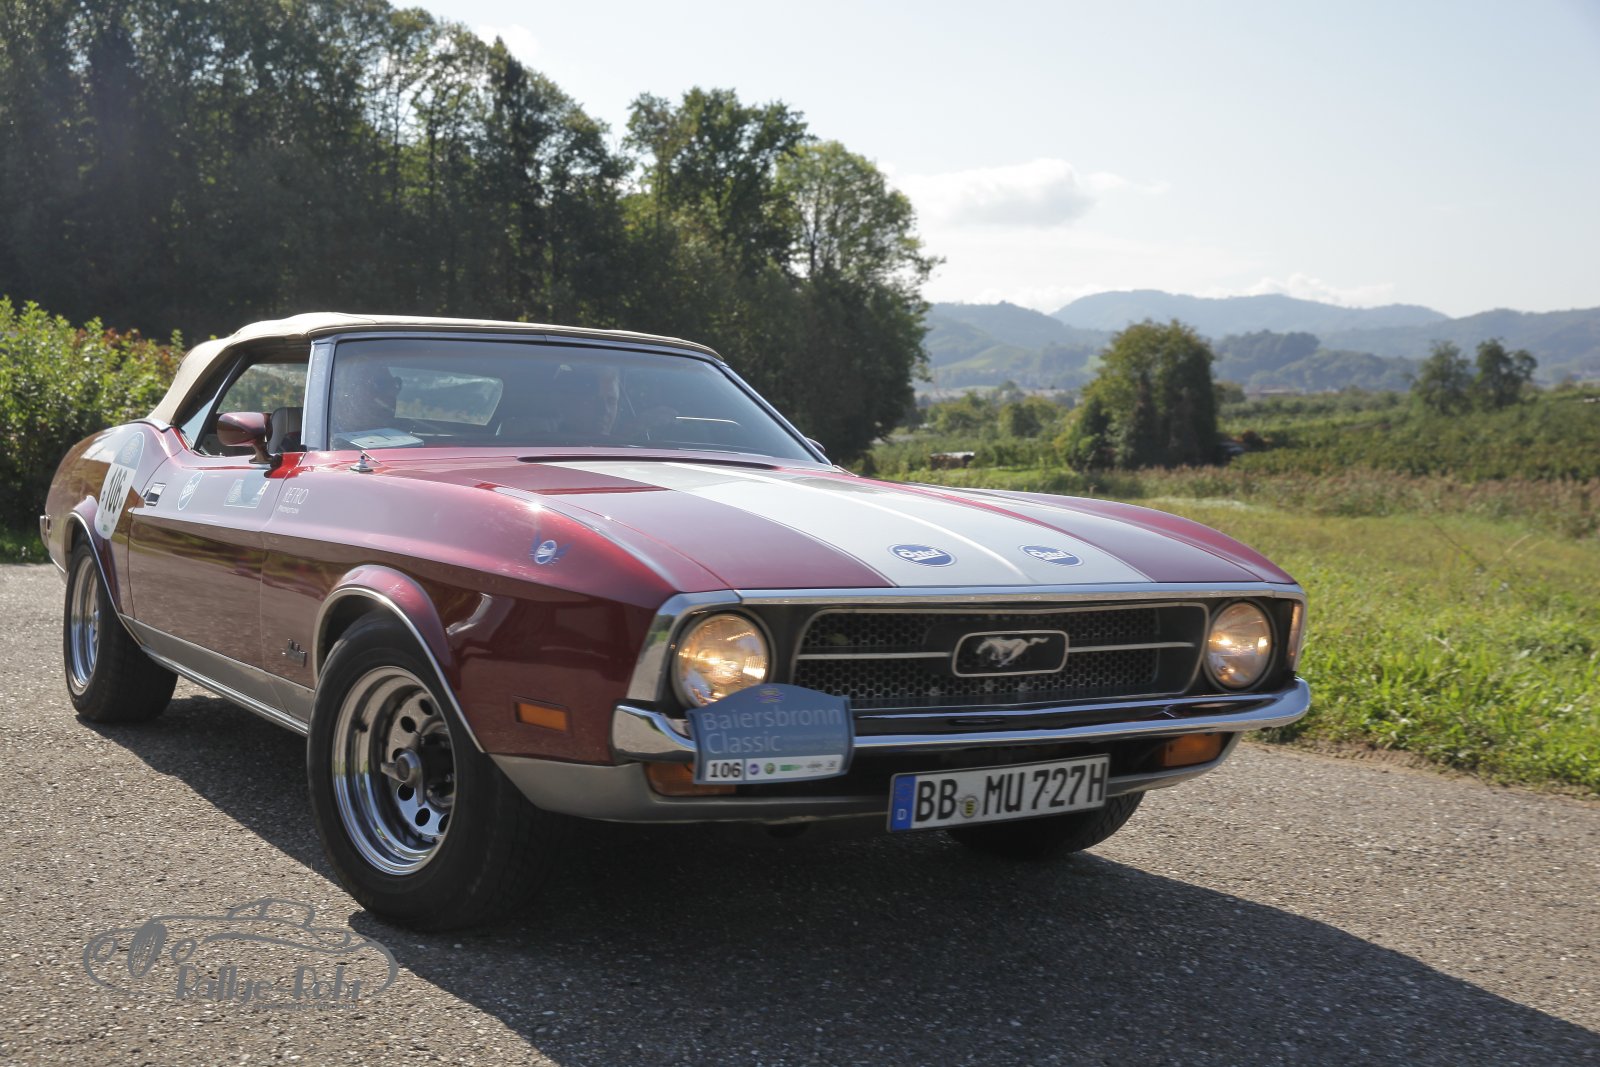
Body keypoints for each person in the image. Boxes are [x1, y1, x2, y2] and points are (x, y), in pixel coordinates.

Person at [331, 361, 403, 441]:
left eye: (395, 384)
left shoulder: (405, 432)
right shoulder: (327, 436)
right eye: (380, 385)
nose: (393, 392)